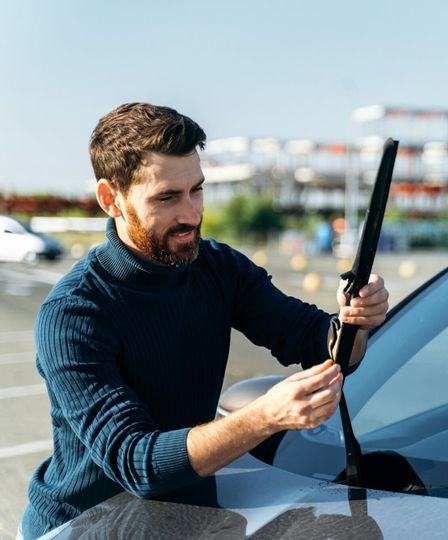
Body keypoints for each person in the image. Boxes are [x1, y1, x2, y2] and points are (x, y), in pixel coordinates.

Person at [19, 103, 389, 539]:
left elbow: (313, 340)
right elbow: (138, 465)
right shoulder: (73, 314)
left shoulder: (217, 268)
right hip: (83, 527)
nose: (192, 214)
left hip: (187, 523)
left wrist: (355, 323)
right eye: (167, 198)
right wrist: (263, 417)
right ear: (110, 199)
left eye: (197, 190)